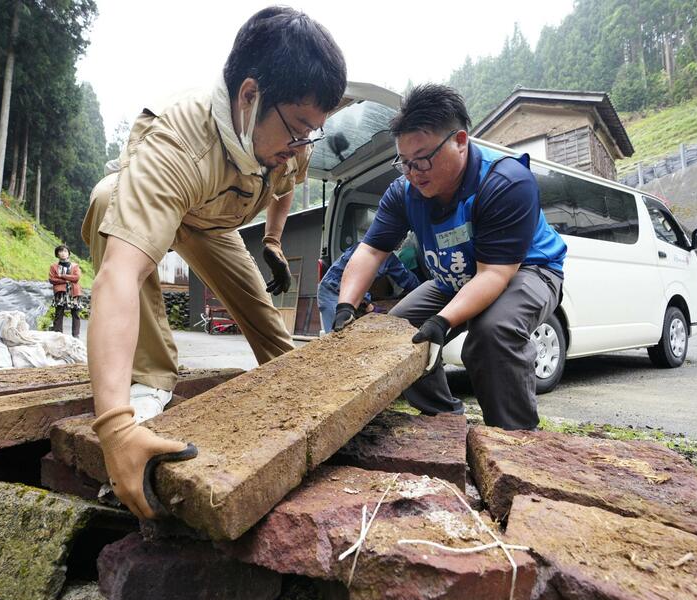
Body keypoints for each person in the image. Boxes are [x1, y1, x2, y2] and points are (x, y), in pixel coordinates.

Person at [80, 6, 347, 519]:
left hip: (212, 225)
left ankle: (294, 389)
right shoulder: (177, 141)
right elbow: (118, 275)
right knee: (103, 197)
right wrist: (113, 427)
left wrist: (271, 239)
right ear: (250, 96)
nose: (299, 149)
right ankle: (149, 381)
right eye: (297, 133)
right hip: (161, 205)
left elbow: (285, 186)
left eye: (310, 135)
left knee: (279, 346)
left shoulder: (292, 135)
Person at [333, 84, 566, 431]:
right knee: (396, 335)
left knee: (492, 334)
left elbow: (494, 276)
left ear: (459, 140)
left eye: (423, 159)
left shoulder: (505, 181)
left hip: (526, 270)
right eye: (405, 163)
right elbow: (370, 249)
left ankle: (514, 439)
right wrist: (345, 307)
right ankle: (445, 426)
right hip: (455, 280)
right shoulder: (404, 193)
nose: (414, 172)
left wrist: (442, 322)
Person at [317, 242, 421, 333]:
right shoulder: (362, 250)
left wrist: (424, 290)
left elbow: (405, 277)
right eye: (399, 238)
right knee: (337, 333)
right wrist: (367, 304)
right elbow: (354, 279)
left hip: (355, 295)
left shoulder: (390, 258)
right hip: (332, 289)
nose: (401, 242)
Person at [48, 245, 82, 338]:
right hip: (60, 292)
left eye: (65, 251)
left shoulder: (75, 266)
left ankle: (76, 336)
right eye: (61, 251)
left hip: (73, 292)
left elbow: (77, 278)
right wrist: (66, 280)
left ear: (69, 254)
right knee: (59, 313)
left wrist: (62, 276)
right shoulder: (54, 266)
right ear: (57, 254)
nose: (63, 253)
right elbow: (52, 279)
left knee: (75, 313)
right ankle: (58, 335)